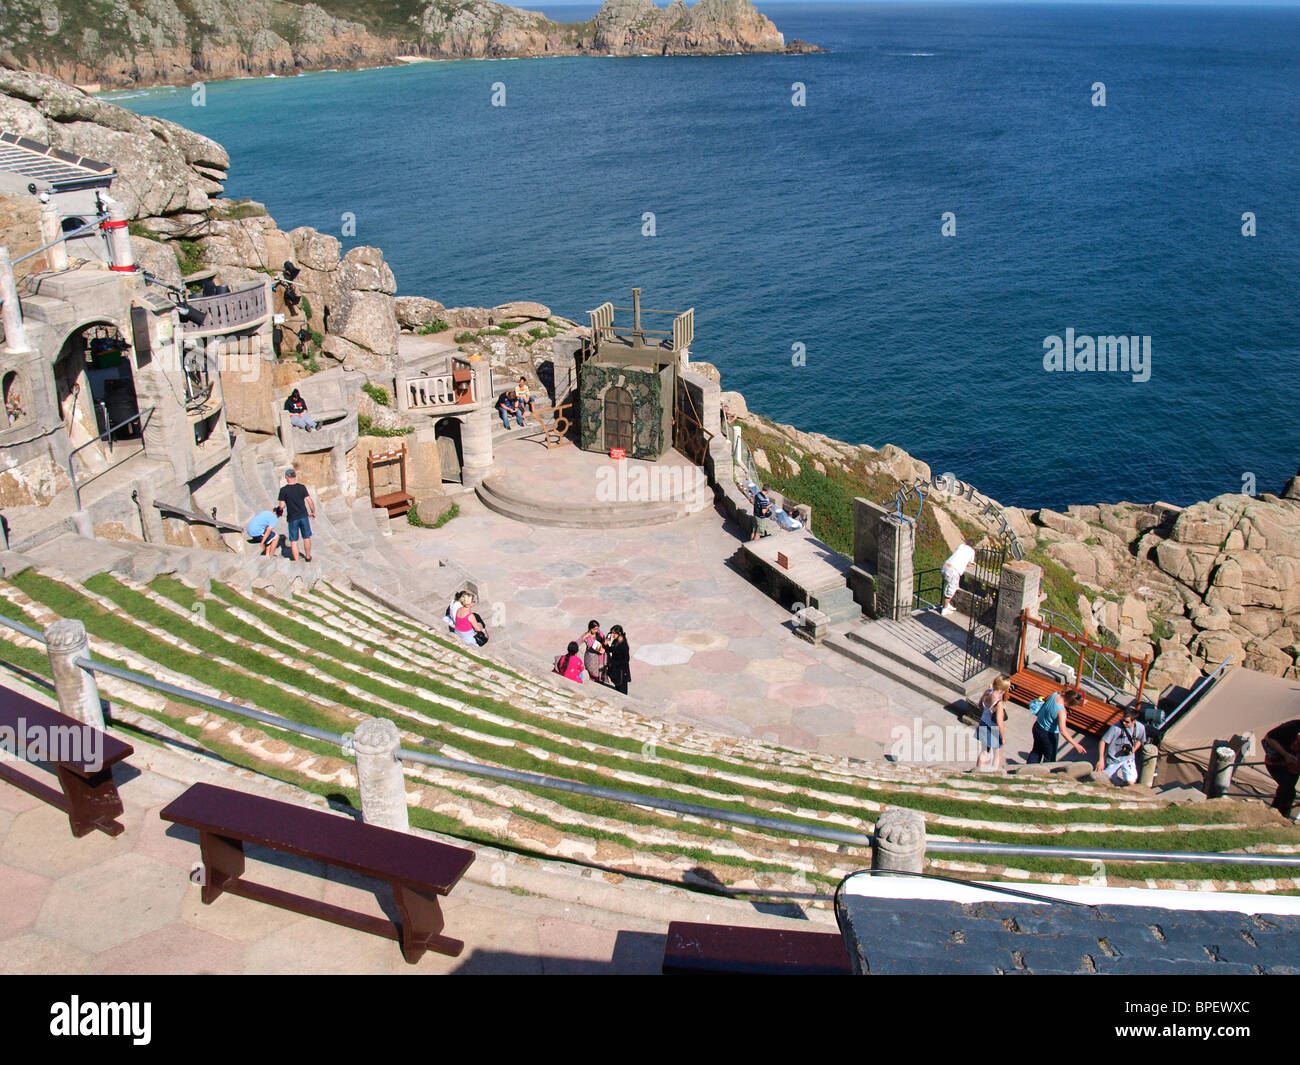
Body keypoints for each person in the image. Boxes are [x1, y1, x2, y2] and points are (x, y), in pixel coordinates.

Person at [1026, 688, 1087, 764]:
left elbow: (1046, 700)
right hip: (1049, 734)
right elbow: (1063, 731)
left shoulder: (1054, 695)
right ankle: (1045, 774)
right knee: (1049, 759)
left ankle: (1028, 769)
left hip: (1037, 726)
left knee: (1036, 751)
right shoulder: (1061, 711)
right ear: (1070, 703)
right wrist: (1076, 745)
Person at [1097, 706, 1146, 785]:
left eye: (1127, 722)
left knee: (1130, 782)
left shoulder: (1140, 728)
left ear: (1134, 721)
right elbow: (1103, 741)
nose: (1123, 723)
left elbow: (1140, 740)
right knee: (1102, 781)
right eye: (1123, 720)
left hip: (1128, 758)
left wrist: (1133, 750)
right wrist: (1101, 759)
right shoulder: (1115, 728)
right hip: (1113, 759)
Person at [1262, 719, 1300, 819]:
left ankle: (1272, 814)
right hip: (1277, 763)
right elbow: (1269, 737)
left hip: (1294, 768)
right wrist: (1285, 754)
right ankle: (1282, 819)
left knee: (1283, 792)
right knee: (1289, 792)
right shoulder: (1294, 725)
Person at [276, 468, 315, 562]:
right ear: (295, 476)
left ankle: (297, 560)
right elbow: (309, 500)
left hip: (292, 518)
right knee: (306, 537)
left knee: (294, 540)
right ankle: (308, 556)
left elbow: (281, 506)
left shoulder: (283, 490)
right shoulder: (301, 487)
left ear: (286, 477)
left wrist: (279, 509)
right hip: (303, 516)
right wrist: (313, 511)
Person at [975, 675, 1011, 770]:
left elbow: (980, 705)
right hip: (993, 728)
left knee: (983, 751)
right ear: (1003, 689)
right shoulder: (998, 703)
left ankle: (978, 770)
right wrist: (1003, 737)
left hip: (983, 723)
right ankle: (995, 772)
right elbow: (1000, 722)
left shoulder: (987, 692)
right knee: (997, 753)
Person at [940, 542, 976, 616]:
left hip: (945, 567)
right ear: (973, 546)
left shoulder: (961, 545)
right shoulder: (972, 551)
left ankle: (947, 604)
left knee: (952, 586)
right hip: (953, 571)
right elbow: (969, 563)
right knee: (951, 589)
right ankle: (945, 609)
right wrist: (971, 563)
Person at [604, 625, 631, 695]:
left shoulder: (624, 645)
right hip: (616, 669)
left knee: (622, 690)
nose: (612, 635)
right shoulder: (615, 641)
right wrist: (606, 644)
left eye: (614, 633)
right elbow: (611, 650)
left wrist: (614, 663)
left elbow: (626, 659)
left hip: (621, 671)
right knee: (617, 687)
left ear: (619, 633)